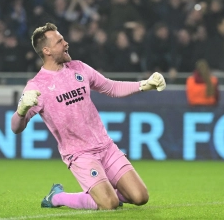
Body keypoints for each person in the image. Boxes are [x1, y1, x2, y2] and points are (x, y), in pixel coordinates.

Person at [11, 22, 166, 210]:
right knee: (109, 204)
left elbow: (111, 87)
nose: (66, 43)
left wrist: (143, 85)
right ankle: (58, 197)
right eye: (60, 41)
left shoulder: (79, 68)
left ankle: (105, 193)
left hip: (106, 146)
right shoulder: (37, 85)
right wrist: (21, 111)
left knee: (141, 197)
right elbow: (15, 128)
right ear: (47, 50)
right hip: (79, 154)